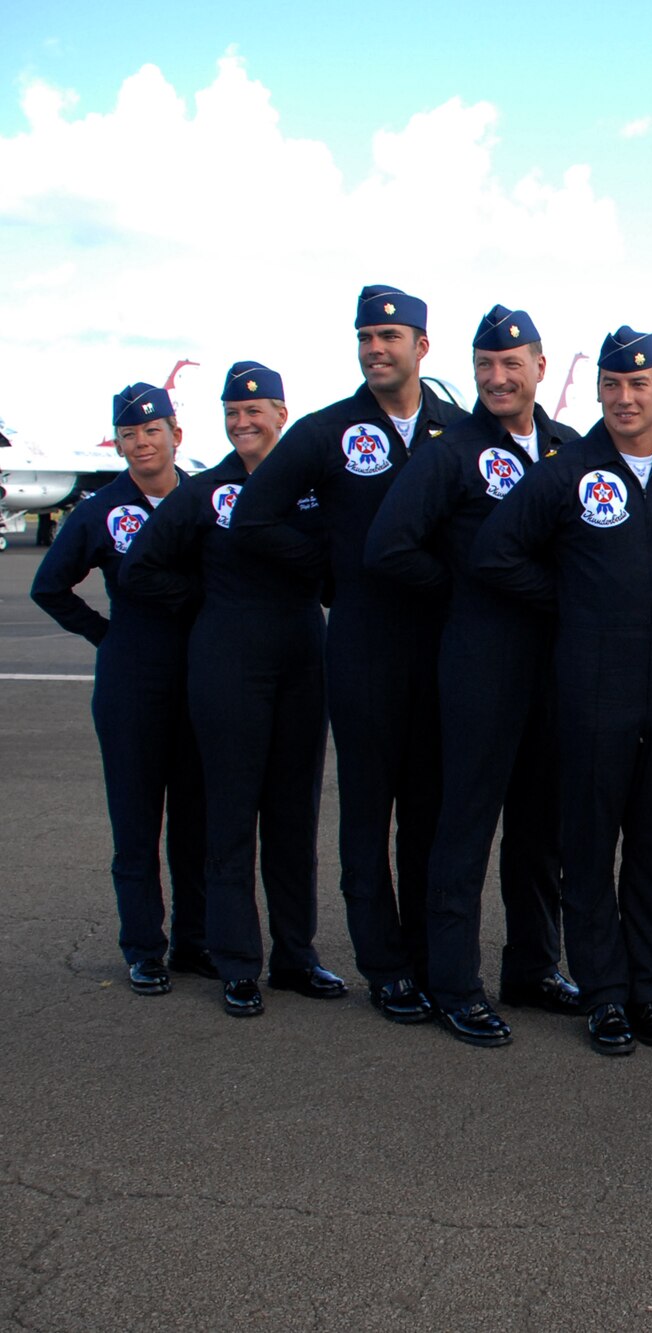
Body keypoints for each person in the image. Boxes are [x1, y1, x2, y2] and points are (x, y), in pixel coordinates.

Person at [230, 285, 465, 1023]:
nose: (376, 348)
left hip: (441, 647)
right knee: (368, 814)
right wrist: (329, 569)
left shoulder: (456, 430)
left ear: (422, 346)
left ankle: (429, 954)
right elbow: (254, 516)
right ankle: (385, 966)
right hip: (363, 646)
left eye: (390, 335)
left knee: (430, 812)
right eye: (366, 335)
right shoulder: (327, 431)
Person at [472, 325, 652, 1057]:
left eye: (640, 383)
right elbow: (494, 552)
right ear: (598, 389)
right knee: (589, 841)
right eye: (612, 383)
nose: (625, 396)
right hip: (587, 687)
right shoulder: (565, 470)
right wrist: (570, 597)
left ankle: (647, 989)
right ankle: (604, 994)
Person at [365, 305, 583, 1048]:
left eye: (511, 363)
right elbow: (389, 547)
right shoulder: (448, 451)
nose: (496, 377)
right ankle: (454, 982)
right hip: (480, 666)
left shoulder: (567, 448)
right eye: (485, 364)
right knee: (464, 828)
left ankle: (533, 967)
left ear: (539, 368)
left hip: (551, 670)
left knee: (538, 827)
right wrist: (461, 589)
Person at [122, 362, 344, 1017]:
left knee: (293, 814)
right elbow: (139, 570)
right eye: (232, 412)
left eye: (256, 410)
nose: (243, 422)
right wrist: (204, 604)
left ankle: (295, 956)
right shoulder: (206, 492)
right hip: (228, 667)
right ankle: (237, 963)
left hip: (304, 660)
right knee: (230, 815)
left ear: (281, 412)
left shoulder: (310, 488)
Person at [31, 382, 208, 994]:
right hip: (132, 685)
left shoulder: (208, 497)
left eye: (152, 430)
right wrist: (106, 636)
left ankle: (195, 942)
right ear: (119, 441)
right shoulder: (100, 509)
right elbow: (49, 587)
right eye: (129, 434)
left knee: (197, 821)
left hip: (203, 682)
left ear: (175, 434)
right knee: (137, 822)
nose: (141, 443)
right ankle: (143, 948)